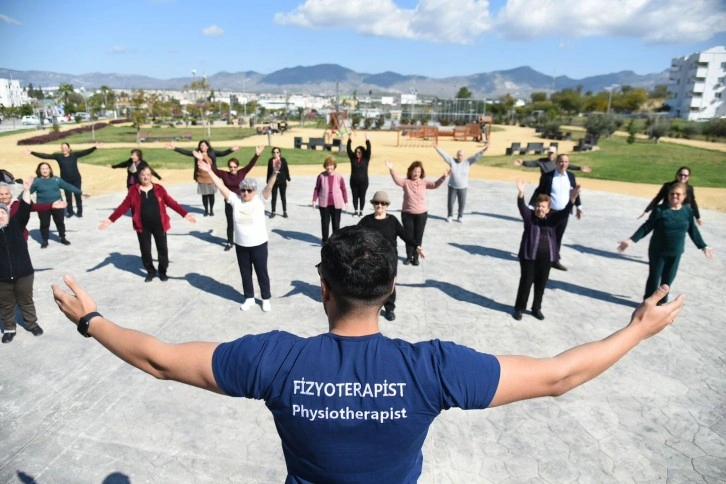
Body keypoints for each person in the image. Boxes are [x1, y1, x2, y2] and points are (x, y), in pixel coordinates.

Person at [51, 225, 685, 483]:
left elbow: (160, 359)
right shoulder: (431, 367)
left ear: (323, 288)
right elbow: (557, 378)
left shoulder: (275, 359)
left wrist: (91, 320)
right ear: (390, 290)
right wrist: (637, 330)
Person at [197, 154, 277, 312]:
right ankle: (249, 298)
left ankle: (266, 298)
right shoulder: (234, 199)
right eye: (243, 190)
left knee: (262, 272)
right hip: (241, 245)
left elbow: (269, 187)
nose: (246, 193)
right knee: (245, 272)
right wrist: (209, 171)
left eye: (249, 190)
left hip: (259, 244)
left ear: (254, 191)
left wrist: (275, 172)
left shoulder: (260, 200)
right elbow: (221, 186)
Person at [618, 182, 712, 304]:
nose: (674, 196)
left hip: (676, 252)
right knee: (654, 278)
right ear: (668, 195)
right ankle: (648, 303)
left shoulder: (687, 211)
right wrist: (631, 240)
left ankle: (661, 303)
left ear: (683, 196)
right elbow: (646, 227)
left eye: (678, 194)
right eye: (672, 194)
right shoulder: (659, 210)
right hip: (658, 251)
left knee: (667, 280)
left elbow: (693, 230)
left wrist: (703, 246)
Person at [99, 166, 196, 282]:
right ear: (139, 176)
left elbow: (171, 202)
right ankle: (150, 271)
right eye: (143, 175)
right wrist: (111, 219)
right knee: (145, 250)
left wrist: (185, 214)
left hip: (159, 225)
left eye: (148, 175)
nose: (145, 177)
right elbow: (123, 207)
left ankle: (162, 271)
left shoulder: (159, 189)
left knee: (163, 250)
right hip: (142, 226)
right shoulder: (133, 191)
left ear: (151, 176)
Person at [513, 179, 582, 321]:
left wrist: (572, 200)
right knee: (526, 283)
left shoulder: (552, 219)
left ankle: (536, 308)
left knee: (541, 284)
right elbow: (522, 206)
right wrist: (521, 194)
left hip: (546, 258)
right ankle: (519, 308)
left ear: (548, 209)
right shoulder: (529, 217)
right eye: (538, 206)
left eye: (543, 207)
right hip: (529, 257)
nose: (540, 209)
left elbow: (564, 213)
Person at [358, 191, 425, 321]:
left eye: (383, 203)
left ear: (387, 205)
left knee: (389, 284)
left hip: (390, 258)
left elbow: (405, 235)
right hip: (371, 258)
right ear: (373, 204)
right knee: (371, 283)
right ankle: (371, 308)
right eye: (377, 203)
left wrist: (417, 246)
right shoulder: (366, 221)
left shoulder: (392, 220)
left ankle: (389, 308)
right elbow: (355, 234)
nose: (380, 205)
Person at [1, 178, 44, 344]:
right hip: (2, 277)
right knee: (5, 305)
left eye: (3, 213)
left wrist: (27, 190)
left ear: (8, 214)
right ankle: (10, 329)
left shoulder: (17, 224)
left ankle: (32, 324)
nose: (0, 215)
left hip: (23, 272)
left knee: (26, 301)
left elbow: (25, 208)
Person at [386, 159, 449, 266]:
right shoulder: (405, 182)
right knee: (408, 237)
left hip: (421, 214)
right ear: (410, 171)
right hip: (407, 214)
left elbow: (435, 185)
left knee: (418, 237)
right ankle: (408, 257)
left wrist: (444, 177)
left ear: (421, 173)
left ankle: (416, 258)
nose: (416, 173)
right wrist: (392, 169)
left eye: (419, 172)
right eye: (415, 171)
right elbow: (397, 180)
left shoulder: (424, 183)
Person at [530, 154, 583, 271]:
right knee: (544, 236)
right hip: (549, 212)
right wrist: (531, 206)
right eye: (561, 161)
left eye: (566, 162)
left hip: (564, 213)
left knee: (558, 237)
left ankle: (554, 260)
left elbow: (575, 193)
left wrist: (579, 206)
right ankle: (538, 258)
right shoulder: (547, 176)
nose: (563, 164)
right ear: (556, 162)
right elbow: (539, 191)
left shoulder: (571, 176)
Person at [166, 140, 239, 217]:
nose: (202, 147)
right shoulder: (197, 153)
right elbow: (186, 152)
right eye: (201, 145)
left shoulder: (212, 153)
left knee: (211, 195)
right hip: (201, 177)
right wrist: (174, 148)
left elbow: (222, 153)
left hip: (211, 177)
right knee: (204, 195)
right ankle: (206, 210)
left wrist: (231, 149)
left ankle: (211, 210)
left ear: (207, 146)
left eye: (204, 145)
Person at [26, 142, 99, 217]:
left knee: (77, 195)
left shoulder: (74, 155)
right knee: (68, 197)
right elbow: (45, 156)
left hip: (76, 178)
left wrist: (95, 147)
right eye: (62, 148)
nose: (64, 149)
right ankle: (70, 212)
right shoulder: (58, 156)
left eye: (65, 148)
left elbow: (85, 152)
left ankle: (79, 212)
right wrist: (32, 152)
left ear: (69, 148)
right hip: (65, 180)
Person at [211, 147, 263, 251]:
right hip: (229, 202)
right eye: (231, 167)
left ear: (237, 167)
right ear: (228, 167)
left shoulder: (241, 173)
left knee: (243, 221)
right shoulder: (224, 174)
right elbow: (212, 170)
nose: (233, 169)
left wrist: (256, 154)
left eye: (234, 167)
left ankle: (244, 240)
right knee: (230, 223)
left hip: (241, 202)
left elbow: (250, 165)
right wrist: (203, 158)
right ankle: (230, 242)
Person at [30, 162, 88, 248]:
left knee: (60, 222)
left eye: (46, 168)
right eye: (42, 169)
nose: (45, 171)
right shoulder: (36, 181)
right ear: (39, 170)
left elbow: (68, 186)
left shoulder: (56, 179)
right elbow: (28, 192)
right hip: (43, 206)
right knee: (44, 223)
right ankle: (45, 240)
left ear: (50, 170)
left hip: (58, 205)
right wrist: (18, 200)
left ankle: (62, 237)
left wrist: (80, 192)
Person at [433, 141, 488, 223]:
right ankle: (450, 215)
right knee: (450, 202)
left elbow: (476, 156)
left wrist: (484, 149)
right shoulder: (452, 161)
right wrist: (437, 148)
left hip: (463, 187)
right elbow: (444, 155)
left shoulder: (468, 162)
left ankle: (460, 216)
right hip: (452, 186)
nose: (459, 157)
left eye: (461, 156)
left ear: (464, 156)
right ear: (456, 155)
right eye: (458, 155)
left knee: (462, 203)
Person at [0, 182, 65, 241]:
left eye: (6, 194)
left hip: (19, 238)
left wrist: (51, 206)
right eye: (1, 194)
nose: (4, 196)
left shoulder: (18, 204)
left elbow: (35, 207)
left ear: (10, 194)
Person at [312, 156, 348, 243]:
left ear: (334, 166)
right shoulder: (321, 176)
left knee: (336, 223)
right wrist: (314, 200)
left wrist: (346, 201)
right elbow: (317, 188)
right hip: (324, 204)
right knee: (325, 223)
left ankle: (335, 241)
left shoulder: (339, 177)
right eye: (327, 165)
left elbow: (343, 189)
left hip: (336, 204)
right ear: (325, 166)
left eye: (331, 165)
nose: (329, 167)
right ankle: (325, 240)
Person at [514, 146, 591, 176]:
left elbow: (569, 166)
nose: (551, 154)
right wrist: (523, 162)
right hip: (545, 183)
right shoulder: (542, 161)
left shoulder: (559, 161)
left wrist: (580, 168)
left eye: (552, 153)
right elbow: (532, 163)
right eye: (549, 153)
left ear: (555, 153)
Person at [346, 133, 372, 217]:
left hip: (363, 182)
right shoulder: (352, 158)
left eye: (359, 152)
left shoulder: (366, 158)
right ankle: (355, 211)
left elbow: (369, 150)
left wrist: (367, 140)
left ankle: (361, 211)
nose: (357, 153)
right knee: (355, 196)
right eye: (356, 151)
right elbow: (348, 149)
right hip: (353, 181)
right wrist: (349, 139)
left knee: (362, 196)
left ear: (362, 152)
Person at [266, 147, 291, 219]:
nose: (275, 154)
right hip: (273, 182)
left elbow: (286, 170)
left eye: (277, 152)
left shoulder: (283, 160)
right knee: (273, 197)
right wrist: (268, 181)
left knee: (283, 197)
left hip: (282, 181)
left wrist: (288, 179)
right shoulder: (270, 161)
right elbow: (269, 172)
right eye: (274, 152)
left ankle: (284, 211)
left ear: (279, 153)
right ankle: (273, 211)